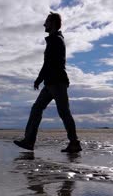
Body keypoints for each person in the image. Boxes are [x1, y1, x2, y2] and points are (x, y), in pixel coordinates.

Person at [14, 12, 82, 153]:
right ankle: (29, 141)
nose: (44, 24)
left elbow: (49, 63)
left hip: (57, 82)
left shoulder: (56, 40)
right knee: (37, 109)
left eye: (46, 22)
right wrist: (42, 80)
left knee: (63, 112)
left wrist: (39, 79)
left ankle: (74, 142)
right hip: (51, 82)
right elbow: (49, 63)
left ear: (53, 23)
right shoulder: (54, 39)